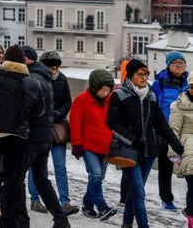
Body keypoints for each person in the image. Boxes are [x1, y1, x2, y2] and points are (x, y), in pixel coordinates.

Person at [0, 44, 45, 228]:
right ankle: (8, 222)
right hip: (17, 136)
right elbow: (39, 112)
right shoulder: (32, 83)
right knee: (13, 181)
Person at [107, 58, 184, 228]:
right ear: (131, 76)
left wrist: (175, 143)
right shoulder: (119, 95)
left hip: (149, 152)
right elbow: (112, 123)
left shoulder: (151, 96)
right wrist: (132, 139)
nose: (144, 77)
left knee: (135, 191)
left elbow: (161, 124)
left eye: (146, 74)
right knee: (139, 193)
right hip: (128, 150)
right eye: (140, 74)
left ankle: (126, 223)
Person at [22, 46, 73, 228]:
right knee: (38, 174)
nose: (54, 71)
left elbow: (67, 101)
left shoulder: (39, 80)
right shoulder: (40, 79)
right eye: (51, 68)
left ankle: (63, 203)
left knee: (56, 167)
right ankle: (40, 203)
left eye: (56, 68)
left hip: (46, 131)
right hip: (44, 131)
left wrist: (57, 114)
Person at [68, 69, 116, 221]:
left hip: (105, 147)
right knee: (95, 175)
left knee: (97, 179)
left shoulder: (111, 101)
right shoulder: (81, 100)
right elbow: (75, 124)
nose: (105, 93)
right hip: (88, 146)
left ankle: (87, 206)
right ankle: (102, 208)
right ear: (95, 86)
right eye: (102, 89)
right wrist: (76, 145)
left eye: (108, 90)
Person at [152, 51, 187, 211]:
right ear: (168, 65)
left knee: (189, 166)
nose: (179, 65)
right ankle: (166, 198)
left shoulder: (190, 81)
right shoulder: (159, 83)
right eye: (175, 62)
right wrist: (157, 130)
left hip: (187, 131)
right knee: (166, 168)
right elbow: (154, 108)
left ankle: (190, 200)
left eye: (182, 62)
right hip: (166, 131)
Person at [168, 77, 193, 219]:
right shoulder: (179, 105)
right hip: (187, 150)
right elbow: (173, 130)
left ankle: (189, 210)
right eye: (192, 86)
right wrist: (173, 154)